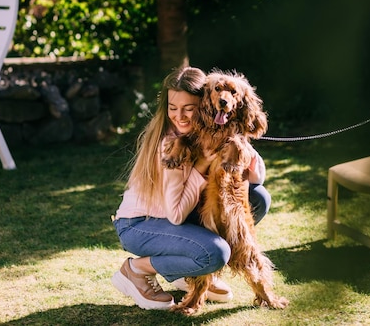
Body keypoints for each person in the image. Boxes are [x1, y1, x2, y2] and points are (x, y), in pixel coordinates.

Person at [111, 66, 271, 311]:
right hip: (141, 225)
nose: (181, 116)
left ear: (203, 105)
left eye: (189, 108)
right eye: (173, 108)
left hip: (173, 218)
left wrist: (243, 146)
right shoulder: (172, 144)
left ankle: (185, 265)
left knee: (258, 197)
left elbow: (257, 179)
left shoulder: (211, 130)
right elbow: (176, 215)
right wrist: (204, 163)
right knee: (214, 254)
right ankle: (136, 270)